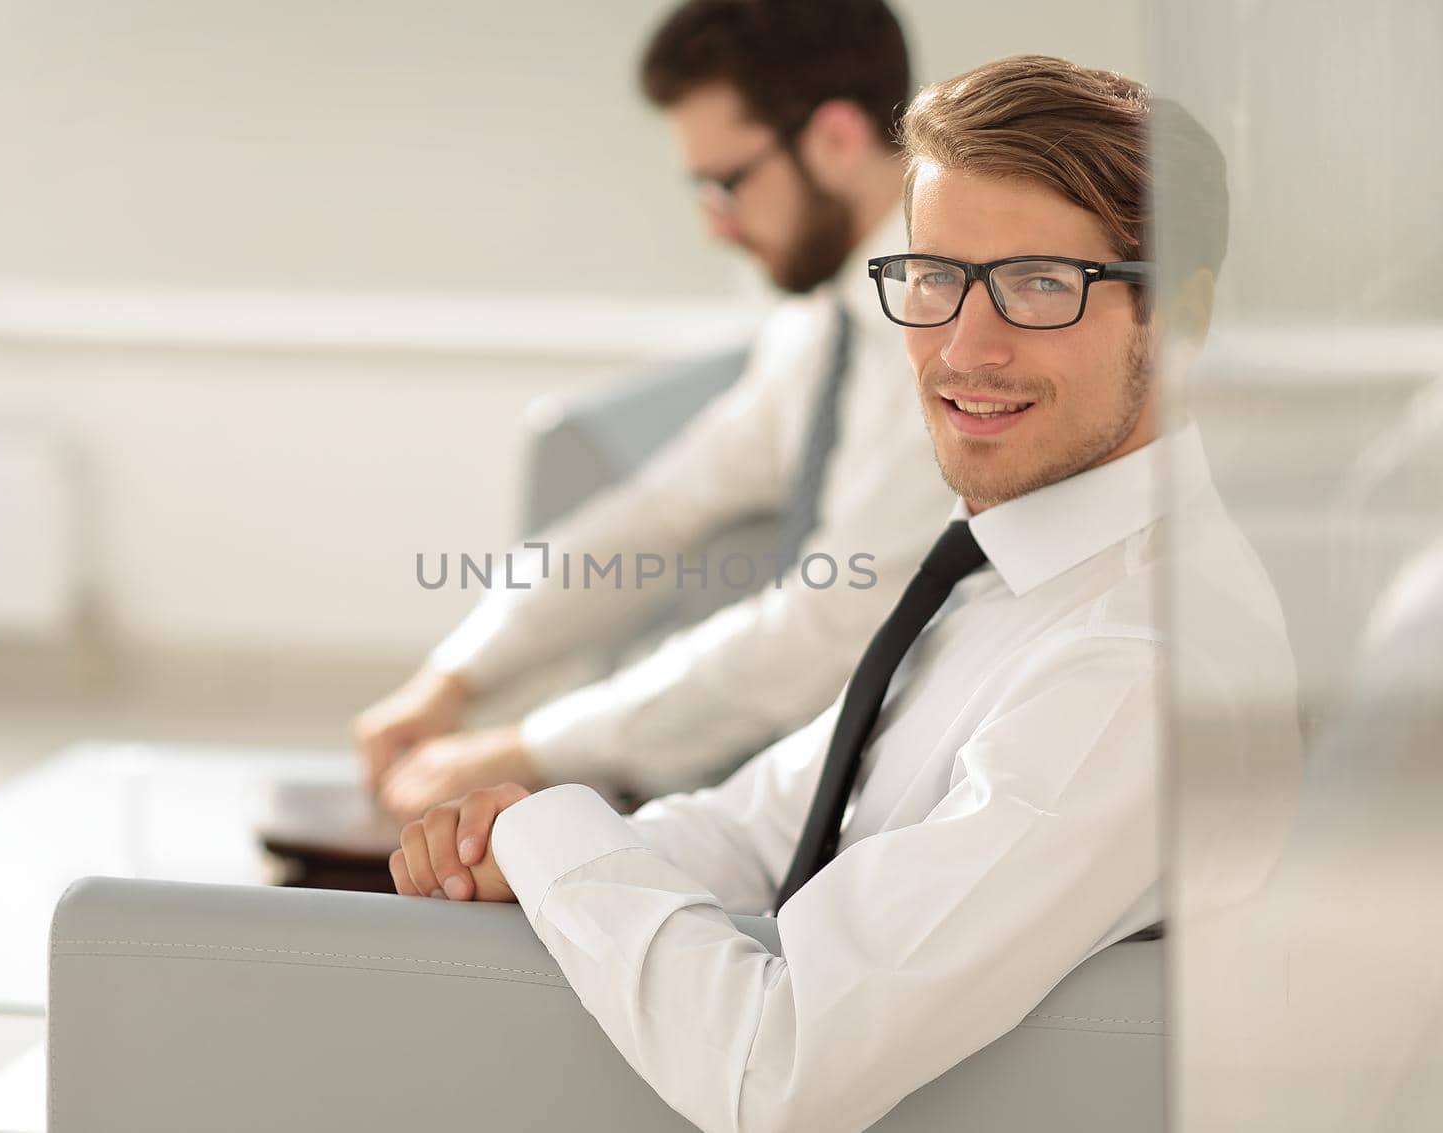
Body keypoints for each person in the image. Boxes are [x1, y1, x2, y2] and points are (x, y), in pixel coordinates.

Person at [388, 55, 1301, 1133]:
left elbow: (775, 1070)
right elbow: (760, 821)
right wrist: (525, 842)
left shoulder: (1134, 673)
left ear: (1180, 319)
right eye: (933, 277)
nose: (965, 348)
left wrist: (551, 843)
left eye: (1042, 285)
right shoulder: (1001, 574)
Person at [354, 0, 954, 820]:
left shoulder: (939, 336)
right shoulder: (819, 329)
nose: (716, 227)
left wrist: (528, 748)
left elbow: (824, 629)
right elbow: (661, 511)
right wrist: (457, 678)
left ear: (838, 140)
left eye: (726, 183)